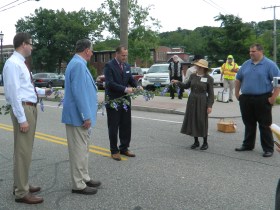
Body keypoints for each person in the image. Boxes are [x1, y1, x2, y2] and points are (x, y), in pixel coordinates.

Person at [3, 32, 52, 204]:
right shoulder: (12, 64)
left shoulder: (21, 63)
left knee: (24, 150)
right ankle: (21, 192)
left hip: (29, 106)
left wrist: (42, 92)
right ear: (23, 44)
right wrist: (22, 118)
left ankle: (20, 183)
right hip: (23, 109)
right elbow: (13, 94)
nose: (32, 47)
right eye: (31, 44)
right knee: (23, 152)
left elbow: (25, 89)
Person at [62, 39, 101, 195]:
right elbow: (79, 93)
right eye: (91, 50)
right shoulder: (78, 65)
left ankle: (84, 177)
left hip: (80, 117)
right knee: (79, 151)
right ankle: (78, 184)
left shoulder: (78, 64)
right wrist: (86, 116)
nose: (92, 53)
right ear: (86, 50)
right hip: (78, 117)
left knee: (84, 149)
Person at [235, 43, 280, 157]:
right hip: (246, 98)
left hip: (263, 98)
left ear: (261, 51)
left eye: (253, 51)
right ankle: (248, 145)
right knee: (249, 123)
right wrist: (237, 93)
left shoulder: (270, 65)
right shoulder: (246, 64)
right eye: (250, 51)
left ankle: (268, 148)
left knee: (264, 124)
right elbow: (238, 79)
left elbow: (277, 83)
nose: (251, 53)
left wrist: (273, 98)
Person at [104, 46, 141, 161]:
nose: (125, 57)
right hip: (113, 100)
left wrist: (137, 85)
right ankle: (114, 150)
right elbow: (110, 83)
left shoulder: (127, 66)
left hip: (125, 101)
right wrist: (125, 89)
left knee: (126, 125)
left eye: (126, 55)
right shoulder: (109, 66)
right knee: (113, 126)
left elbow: (130, 79)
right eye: (123, 55)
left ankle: (124, 148)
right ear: (117, 54)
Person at [172, 59, 214, 150]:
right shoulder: (193, 76)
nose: (197, 66)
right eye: (197, 65)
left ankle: (205, 142)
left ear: (203, 67)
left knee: (201, 121)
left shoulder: (209, 78)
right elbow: (186, 86)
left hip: (202, 100)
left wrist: (210, 106)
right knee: (193, 120)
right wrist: (178, 82)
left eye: (199, 65)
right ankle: (196, 142)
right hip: (192, 100)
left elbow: (211, 94)